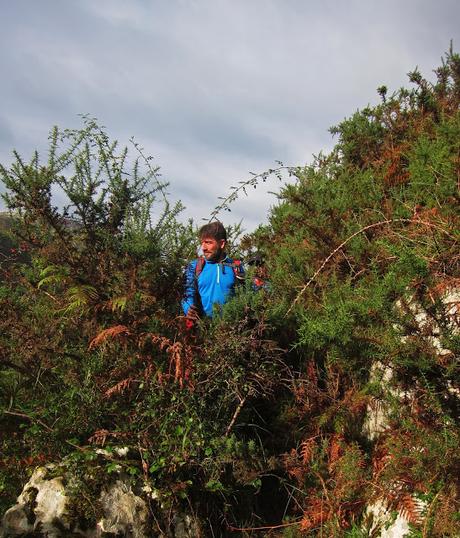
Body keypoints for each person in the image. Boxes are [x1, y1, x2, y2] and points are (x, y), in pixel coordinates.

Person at [182, 222, 244, 320]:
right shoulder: (195, 266)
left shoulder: (235, 266)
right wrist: (188, 308)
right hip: (204, 329)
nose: (203, 248)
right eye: (202, 242)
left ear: (222, 243)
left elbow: (247, 291)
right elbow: (187, 294)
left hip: (232, 329)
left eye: (208, 242)